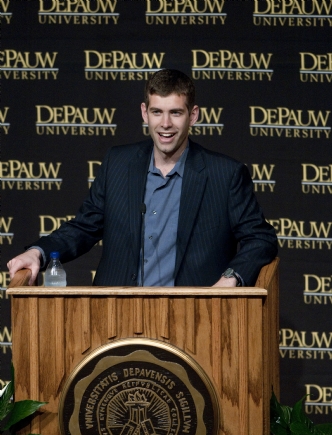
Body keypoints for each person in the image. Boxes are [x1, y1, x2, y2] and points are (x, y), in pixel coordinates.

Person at [7, 69, 277, 287]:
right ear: (144, 113)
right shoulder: (118, 163)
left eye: (176, 112)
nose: (165, 124)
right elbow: (84, 228)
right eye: (157, 112)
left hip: (194, 319)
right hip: (115, 315)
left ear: (193, 116)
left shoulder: (225, 175)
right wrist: (38, 253)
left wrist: (230, 279)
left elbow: (261, 239)